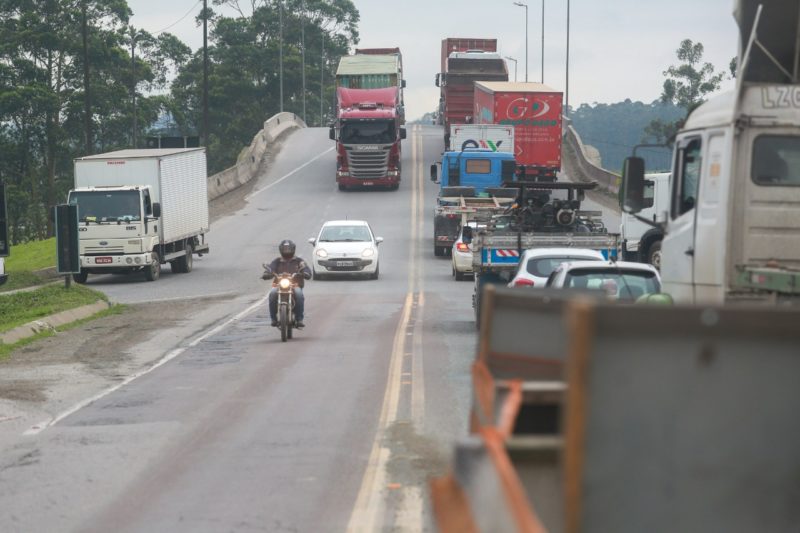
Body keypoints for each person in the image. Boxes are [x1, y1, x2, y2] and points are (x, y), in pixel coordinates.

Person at [262, 240, 312, 328]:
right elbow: (271, 268)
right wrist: (267, 273)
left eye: (289, 249)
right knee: (272, 293)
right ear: (281, 249)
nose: (287, 251)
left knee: (299, 294)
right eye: (285, 249)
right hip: (279, 285)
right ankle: (273, 318)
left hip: (295, 284)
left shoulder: (299, 261)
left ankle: (299, 319)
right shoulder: (277, 261)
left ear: (293, 249)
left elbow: (305, 268)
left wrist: (306, 273)